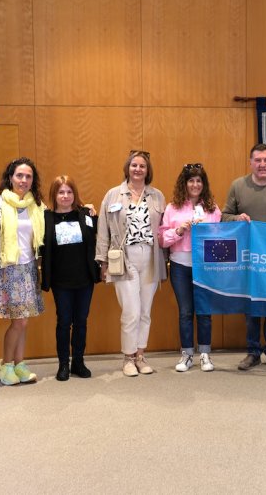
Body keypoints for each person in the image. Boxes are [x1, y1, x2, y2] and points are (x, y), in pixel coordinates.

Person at [221, 144, 266, 371]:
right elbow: (224, 216)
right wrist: (236, 219)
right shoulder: (238, 185)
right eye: (257, 160)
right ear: (250, 162)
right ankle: (253, 351)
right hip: (248, 259)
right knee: (251, 307)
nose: (262, 164)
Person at [96, 150, 167, 377]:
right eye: (134, 165)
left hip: (151, 257)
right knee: (131, 311)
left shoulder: (157, 196)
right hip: (124, 258)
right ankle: (127, 358)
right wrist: (102, 261)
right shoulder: (113, 195)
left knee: (145, 311)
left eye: (142, 166)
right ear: (127, 168)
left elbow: (164, 231)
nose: (138, 169)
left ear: (148, 170)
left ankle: (140, 356)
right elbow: (103, 230)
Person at [159, 163, 222, 372]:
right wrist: (179, 230)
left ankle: (205, 353)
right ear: (184, 184)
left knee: (204, 311)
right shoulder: (172, 208)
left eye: (199, 181)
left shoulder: (213, 208)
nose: (195, 184)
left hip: (205, 267)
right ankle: (186, 354)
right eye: (191, 180)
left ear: (203, 184)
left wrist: (208, 230)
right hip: (180, 265)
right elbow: (162, 240)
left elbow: (221, 239)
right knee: (185, 312)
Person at [0, 158, 45, 386]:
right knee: (19, 322)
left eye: (28, 176)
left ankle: (20, 364)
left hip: (29, 268)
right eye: (19, 176)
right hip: (9, 269)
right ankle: (5, 366)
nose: (23, 180)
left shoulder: (37, 205)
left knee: (24, 321)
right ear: (10, 177)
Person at [41, 176, 100, 381]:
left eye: (69, 192)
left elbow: (100, 236)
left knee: (81, 321)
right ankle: (63, 364)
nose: (65, 196)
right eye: (61, 192)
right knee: (64, 322)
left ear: (74, 194)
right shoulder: (46, 217)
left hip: (84, 279)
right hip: (60, 281)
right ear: (54, 195)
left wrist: (94, 212)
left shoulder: (85, 214)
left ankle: (78, 362)